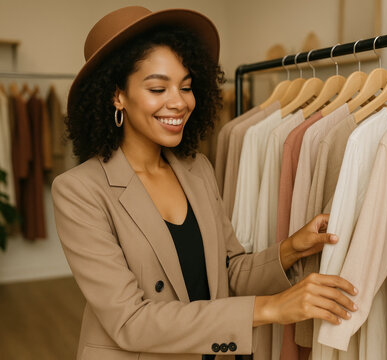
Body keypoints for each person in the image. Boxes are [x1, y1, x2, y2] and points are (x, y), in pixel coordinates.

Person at [52, 6, 358, 360]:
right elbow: (131, 321)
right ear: (116, 95)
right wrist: (272, 308)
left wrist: (291, 249)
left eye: (185, 86)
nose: (179, 102)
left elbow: (227, 272)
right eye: (157, 88)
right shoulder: (79, 191)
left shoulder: (196, 169)